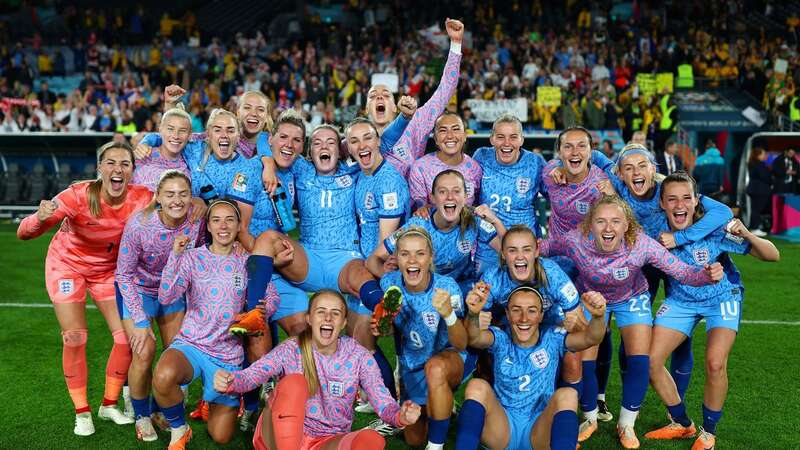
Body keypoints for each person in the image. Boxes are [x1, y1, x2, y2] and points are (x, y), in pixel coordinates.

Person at [539, 195, 723, 449]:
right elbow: (544, 247)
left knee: (640, 359)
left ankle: (626, 424)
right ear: (590, 225)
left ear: (626, 226)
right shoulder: (575, 240)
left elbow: (681, 271)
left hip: (631, 298)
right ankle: (590, 419)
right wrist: (518, 249)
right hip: (591, 299)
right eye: (601, 221)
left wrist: (704, 275)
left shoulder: (641, 244)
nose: (608, 228)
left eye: (616, 221)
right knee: (584, 361)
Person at [249, 110, 401, 402]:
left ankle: (383, 309)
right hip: (310, 259)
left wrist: (404, 118)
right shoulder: (301, 169)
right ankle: (254, 311)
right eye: (317, 142)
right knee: (268, 239)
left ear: (341, 149)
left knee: (360, 278)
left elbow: (384, 141)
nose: (324, 147)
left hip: (346, 258)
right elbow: (263, 140)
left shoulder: (352, 170)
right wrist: (268, 164)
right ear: (309, 151)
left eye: (331, 142)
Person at [17, 141, 152, 436]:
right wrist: (38, 219)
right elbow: (24, 232)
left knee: (125, 339)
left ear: (132, 171)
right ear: (99, 168)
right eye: (111, 163)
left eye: (125, 164)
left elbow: (173, 208)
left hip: (107, 272)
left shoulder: (142, 198)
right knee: (75, 336)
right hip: (68, 266)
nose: (118, 169)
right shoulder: (77, 195)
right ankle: (82, 412)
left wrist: (196, 205)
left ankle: (108, 404)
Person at [645, 172, 779, 450]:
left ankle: (708, 432)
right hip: (681, 300)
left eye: (686, 198)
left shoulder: (714, 229)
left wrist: (746, 233)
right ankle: (682, 423)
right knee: (649, 361)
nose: (679, 205)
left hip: (722, 297)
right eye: (672, 199)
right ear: (662, 204)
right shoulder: (656, 233)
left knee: (716, 363)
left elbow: (772, 255)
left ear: (696, 201)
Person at [213, 290, 422, 450]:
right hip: (279, 435)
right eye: (321, 312)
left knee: (370, 441)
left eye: (335, 313)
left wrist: (399, 416)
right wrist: (231, 381)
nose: (328, 318)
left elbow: (382, 401)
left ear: (343, 323)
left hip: (327, 440)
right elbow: (254, 374)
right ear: (309, 319)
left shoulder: (359, 356)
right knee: (294, 383)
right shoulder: (292, 348)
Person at [152, 200, 280, 449]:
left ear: (238, 225)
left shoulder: (247, 262)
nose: (223, 225)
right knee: (164, 375)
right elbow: (166, 297)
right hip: (192, 344)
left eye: (230, 220)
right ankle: (180, 429)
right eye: (216, 220)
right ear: (208, 226)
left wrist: (262, 310)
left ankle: (212, 400)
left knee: (221, 437)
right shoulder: (192, 257)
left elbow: (271, 297)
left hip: (227, 355)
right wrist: (175, 257)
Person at [454, 285, 608, 450]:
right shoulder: (499, 338)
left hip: (539, 430)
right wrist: (473, 314)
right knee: (477, 386)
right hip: (502, 428)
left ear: (541, 315)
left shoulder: (553, 338)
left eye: (532, 311)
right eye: (516, 310)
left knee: (568, 394)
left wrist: (598, 317)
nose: (524, 318)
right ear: (507, 313)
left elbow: (590, 338)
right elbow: (474, 338)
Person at [115, 170, 204, 441]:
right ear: (158, 198)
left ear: (191, 197)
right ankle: (141, 416)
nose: (177, 200)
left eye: (183, 194)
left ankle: (158, 409)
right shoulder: (139, 225)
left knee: (175, 352)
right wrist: (141, 323)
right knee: (144, 351)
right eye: (170, 194)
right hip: (138, 289)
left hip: (173, 289)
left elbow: (198, 257)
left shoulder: (195, 220)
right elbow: (123, 275)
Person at [370, 227, 474, 449]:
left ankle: (435, 446)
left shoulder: (447, 287)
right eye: (405, 253)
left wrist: (448, 314)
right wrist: (381, 327)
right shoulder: (389, 283)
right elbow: (389, 330)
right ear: (396, 257)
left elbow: (462, 343)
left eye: (420, 253)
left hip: (450, 359)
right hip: (413, 367)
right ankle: (441, 403)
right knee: (414, 439)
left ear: (430, 258)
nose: (412, 260)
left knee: (436, 369)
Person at [367, 170, 504, 295]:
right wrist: (393, 280)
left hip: (463, 287)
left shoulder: (474, 220)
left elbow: (510, 252)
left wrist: (496, 221)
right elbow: (372, 260)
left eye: (456, 191)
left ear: (466, 196)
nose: (450, 197)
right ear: (432, 198)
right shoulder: (418, 225)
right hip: (427, 291)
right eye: (442, 192)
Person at [367, 18, 464, 178]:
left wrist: (455, 43)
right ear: (366, 108)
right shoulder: (359, 138)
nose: (379, 98)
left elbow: (445, 91)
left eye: (386, 95)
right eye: (373, 96)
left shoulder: (416, 122)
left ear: (394, 106)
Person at [472, 114, 546, 275]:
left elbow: (556, 195)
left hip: (524, 249)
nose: (507, 143)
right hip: (488, 248)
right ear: (491, 139)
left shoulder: (535, 162)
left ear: (521, 140)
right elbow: (468, 198)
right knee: (484, 295)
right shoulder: (481, 157)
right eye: (500, 137)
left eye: (513, 137)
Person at [346, 117, 411, 258]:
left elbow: (385, 250)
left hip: (381, 265)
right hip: (361, 256)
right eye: (354, 141)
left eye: (367, 138)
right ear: (349, 149)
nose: (362, 146)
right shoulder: (361, 173)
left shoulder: (389, 182)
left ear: (379, 141)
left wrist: (368, 268)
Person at [408, 112, 483, 211]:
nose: (450, 136)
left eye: (455, 129)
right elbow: (420, 206)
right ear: (435, 139)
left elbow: (478, 205)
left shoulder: (475, 168)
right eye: (443, 130)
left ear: (465, 135)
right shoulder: (420, 167)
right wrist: (423, 207)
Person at [746, 147, 772, 236]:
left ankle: (755, 227)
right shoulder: (759, 164)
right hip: (759, 190)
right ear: (758, 155)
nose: (765, 156)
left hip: (756, 190)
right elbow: (765, 177)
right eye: (763, 154)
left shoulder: (753, 163)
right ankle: (755, 228)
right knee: (757, 209)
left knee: (756, 209)